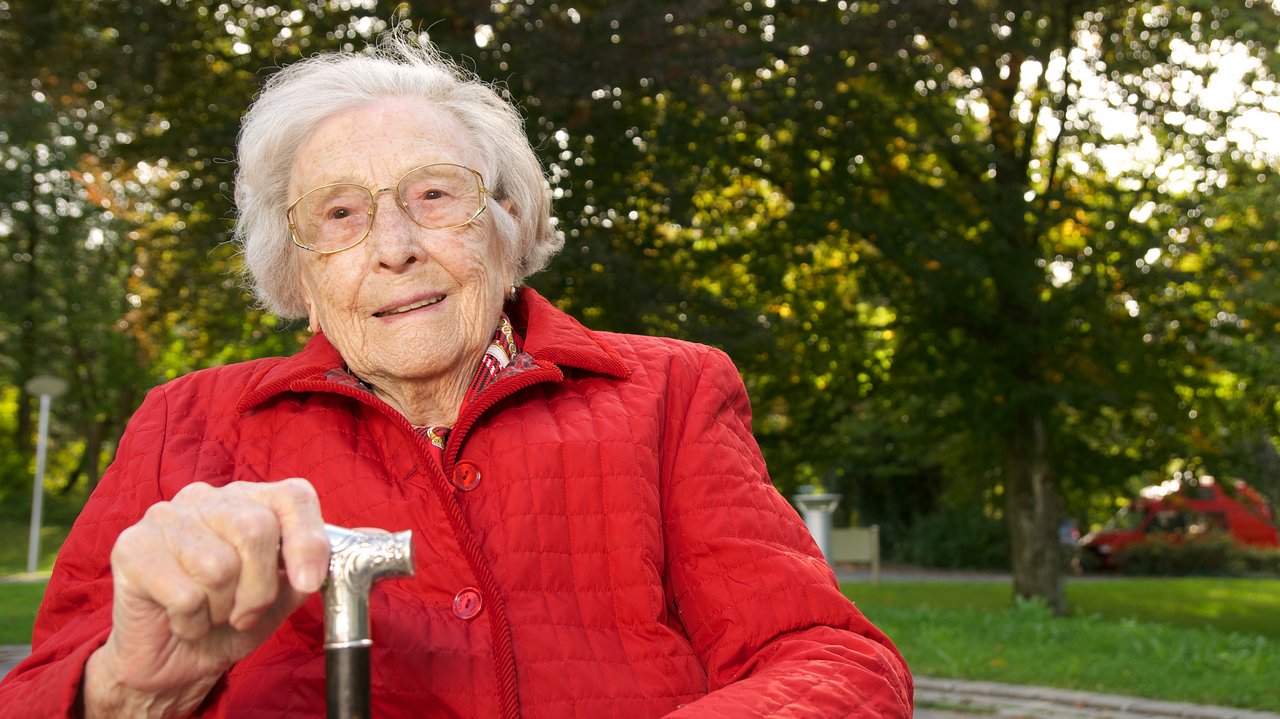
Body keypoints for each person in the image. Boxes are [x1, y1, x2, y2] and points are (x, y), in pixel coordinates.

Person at [0, 35, 912, 717]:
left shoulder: (666, 394)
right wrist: (129, 687)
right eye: (342, 214)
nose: (394, 248)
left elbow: (834, 660)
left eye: (435, 195)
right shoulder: (190, 422)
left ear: (508, 227)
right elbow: (43, 689)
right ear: (300, 277)